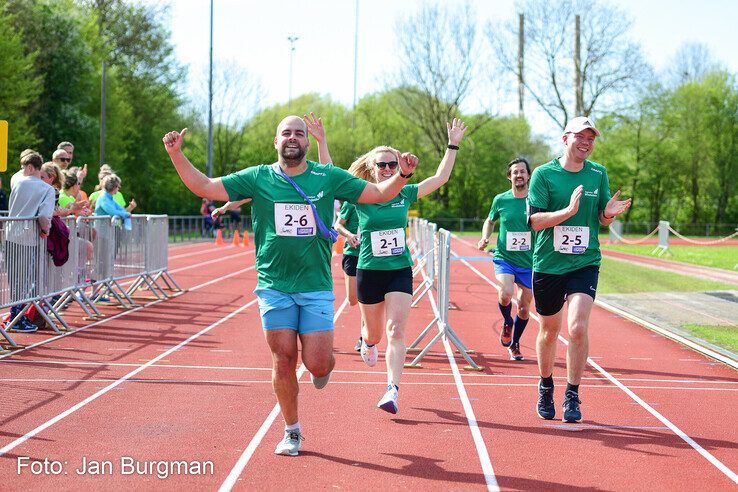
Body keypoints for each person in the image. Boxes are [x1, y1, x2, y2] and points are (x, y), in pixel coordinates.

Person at [162, 115, 417, 456]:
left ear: (307, 142)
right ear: (276, 141)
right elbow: (206, 187)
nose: (292, 137)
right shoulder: (258, 177)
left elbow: (376, 193)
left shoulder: (328, 177)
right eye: (286, 133)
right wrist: (177, 154)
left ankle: (323, 366)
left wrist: (401, 174)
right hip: (274, 284)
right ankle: (292, 431)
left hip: (315, 285)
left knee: (318, 364)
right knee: (283, 360)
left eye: (299, 133)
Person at [349, 118, 467, 415]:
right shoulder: (360, 195)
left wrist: (452, 144)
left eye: (392, 164)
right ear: (372, 168)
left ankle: (392, 388)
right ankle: (366, 338)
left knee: (396, 329)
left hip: (399, 269)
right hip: (369, 269)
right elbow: (330, 178)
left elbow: (440, 178)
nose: (388, 169)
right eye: (382, 165)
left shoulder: (405, 192)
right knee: (375, 334)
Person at [527, 117, 631, 423]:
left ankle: (572, 393)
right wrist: (568, 212)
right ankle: (546, 385)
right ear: (565, 138)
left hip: (585, 261)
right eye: (580, 137)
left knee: (577, 327)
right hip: (548, 263)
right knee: (549, 330)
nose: (586, 143)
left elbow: (601, 217)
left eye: (591, 139)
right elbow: (533, 222)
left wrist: (608, 215)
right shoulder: (544, 175)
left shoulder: (598, 173)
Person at [477, 158, 534, 361]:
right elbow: (490, 220)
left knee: (525, 308)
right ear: (509, 177)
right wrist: (485, 236)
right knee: (505, 294)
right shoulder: (500, 199)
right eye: (515, 172)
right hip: (505, 258)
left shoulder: (536, 200)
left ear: (528, 175)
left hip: (529, 262)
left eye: (522, 172)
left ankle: (515, 343)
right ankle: (507, 321)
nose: (519, 175)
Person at [6, 150, 56, 333]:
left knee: (13, 278)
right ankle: (17, 317)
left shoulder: (16, 181)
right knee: (24, 280)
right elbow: (44, 215)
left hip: (11, 234)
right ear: (36, 168)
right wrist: (45, 230)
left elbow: (18, 173)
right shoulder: (47, 189)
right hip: (28, 238)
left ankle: (14, 313)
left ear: (27, 167)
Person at [333, 200, 363, 351]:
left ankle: (365, 337)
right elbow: (338, 225)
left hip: (370, 256)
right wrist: (349, 235)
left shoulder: (379, 200)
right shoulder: (351, 203)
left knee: (367, 298)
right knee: (353, 300)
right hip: (352, 254)